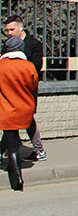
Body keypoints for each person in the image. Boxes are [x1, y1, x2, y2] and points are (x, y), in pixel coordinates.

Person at [2, 17, 45, 161]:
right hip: (10, 90)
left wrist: (20, 65)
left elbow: (37, 65)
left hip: (25, 90)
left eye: (11, 29)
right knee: (11, 123)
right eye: (7, 30)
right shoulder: (8, 44)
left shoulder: (33, 44)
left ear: (21, 28)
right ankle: (37, 150)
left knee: (26, 120)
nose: (9, 33)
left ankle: (39, 150)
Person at [0, 35, 38, 191]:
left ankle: (17, 179)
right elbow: (33, 84)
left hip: (7, 109)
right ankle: (10, 165)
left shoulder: (1, 66)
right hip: (24, 108)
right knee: (12, 138)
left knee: (13, 144)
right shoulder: (28, 66)